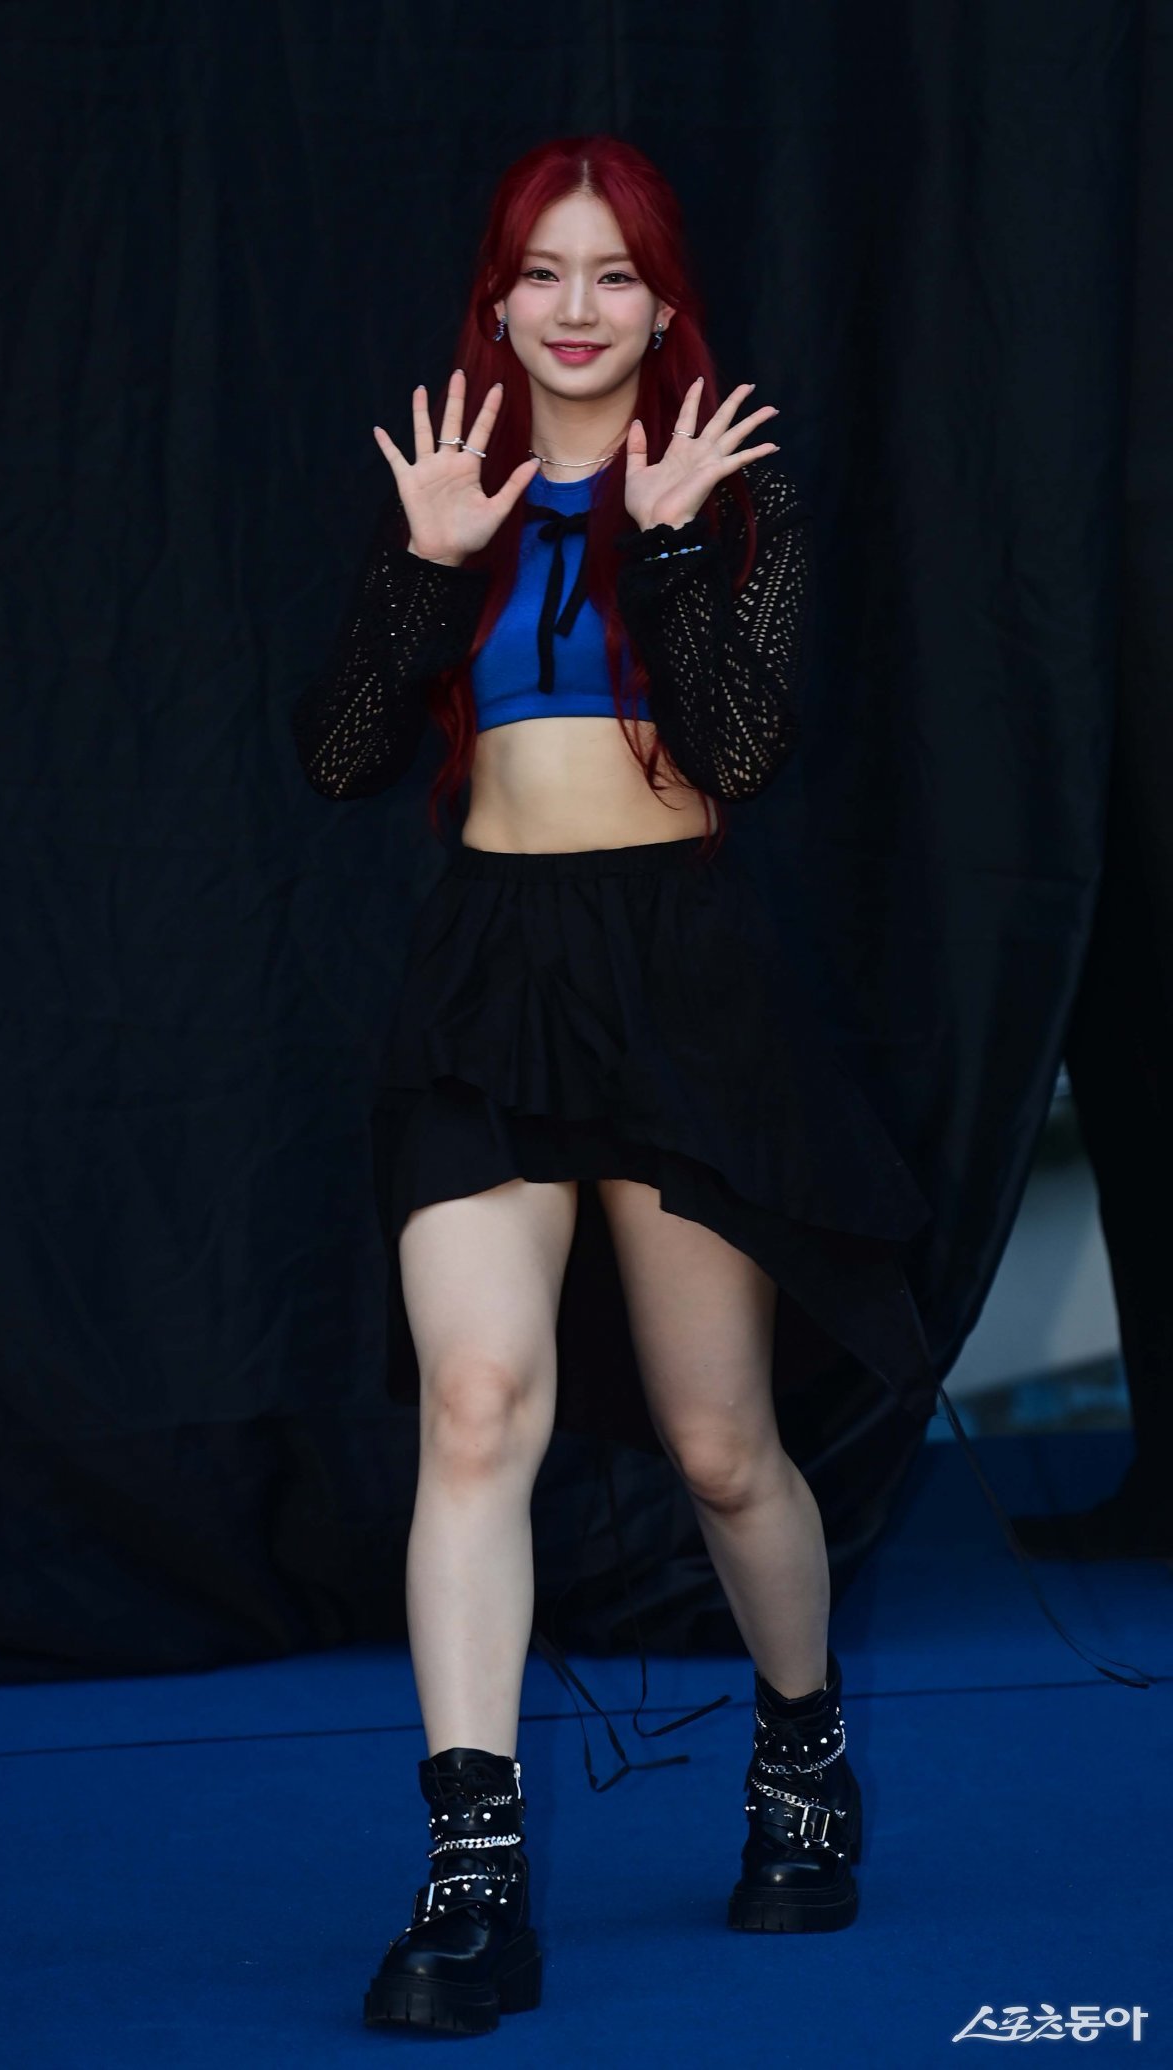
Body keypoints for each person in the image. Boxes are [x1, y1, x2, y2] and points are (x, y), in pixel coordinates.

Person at [289, 134, 1144, 2038]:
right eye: (542, 271)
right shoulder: (449, 484)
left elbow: (742, 753)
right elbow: (341, 756)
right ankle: (473, 1878)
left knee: (722, 1446)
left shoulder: (735, 494)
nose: (575, 307)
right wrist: (426, 568)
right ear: (497, 298)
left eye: (614, 274)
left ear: (664, 305)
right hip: (486, 979)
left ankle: (803, 1746)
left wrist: (673, 542)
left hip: (681, 987)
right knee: (476, 1400)